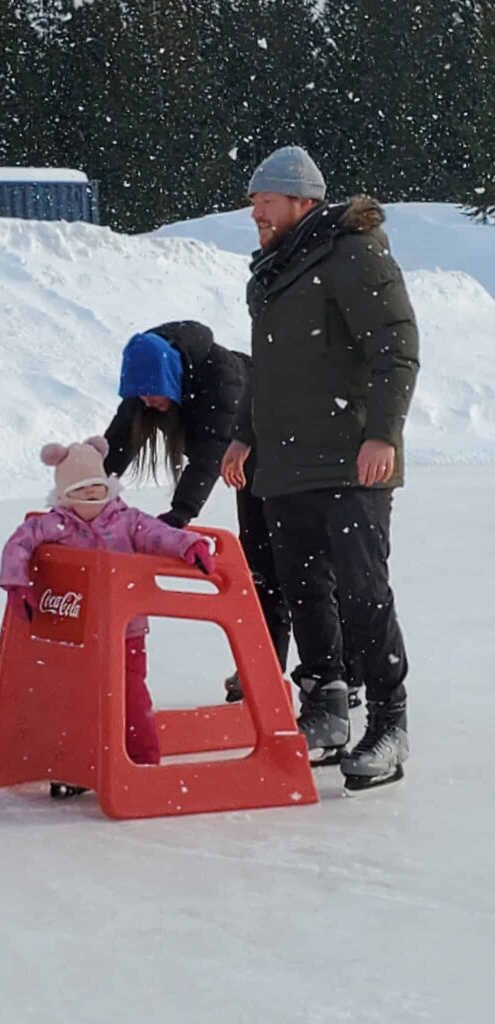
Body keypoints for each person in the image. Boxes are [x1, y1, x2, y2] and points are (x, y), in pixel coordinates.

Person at [221, 146, 419, 790]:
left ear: (301, 201)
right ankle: (325, 706)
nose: (255, 211)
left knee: (363, 592)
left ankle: (389, 722)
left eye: (265, 200)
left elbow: (396, 347)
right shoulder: (275, 269)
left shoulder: (351, 252)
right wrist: (243, 435)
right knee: (302, 590)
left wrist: (382, 434)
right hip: (285, 466)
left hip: (349, 459)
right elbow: (269, 369)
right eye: (253, 201)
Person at [0, 435, 214, 799]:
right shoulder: (54, 525)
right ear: (66, 495)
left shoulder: (127, 520)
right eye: (82, 491)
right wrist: (17, 584)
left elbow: (159, 534)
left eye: (98, 488)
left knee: (131, 697)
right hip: (77, 634)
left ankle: (143, 762)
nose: (92, 499)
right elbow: (17, 544)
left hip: (126, 632)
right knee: (78, 700)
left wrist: (188, 544)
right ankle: (80, 764)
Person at [103, 321, 291, 696]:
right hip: (236, 458)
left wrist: (179, 515)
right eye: (139, 396)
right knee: (259, 565)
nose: (148, 403)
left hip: (275, 448)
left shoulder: (222, 379)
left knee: (275, 562)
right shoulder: (150, 372)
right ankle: (264, 667)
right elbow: (118, 443)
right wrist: (88, 493)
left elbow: (210, 453)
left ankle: (317, 671)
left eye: (153, 395)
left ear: (172, 377)